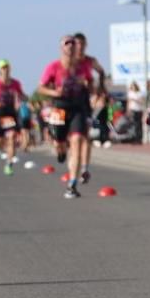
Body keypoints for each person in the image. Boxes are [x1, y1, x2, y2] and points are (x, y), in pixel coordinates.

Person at [38, 35, 95, 198]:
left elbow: (91, 83)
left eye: (72, 43)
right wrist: (54, 92)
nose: (70, 46)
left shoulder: (82, 67)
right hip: (60, 108)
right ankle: (60, 151)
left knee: (77, 141)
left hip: (77, 108)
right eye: (66, 43)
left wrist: (90, 87)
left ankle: (72, 184)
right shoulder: (53, 67)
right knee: (59, 143)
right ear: (61, 48)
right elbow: (41, 88)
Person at [73, 32, 106, 184]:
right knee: (69, 139)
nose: (80, 47)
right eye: (77, 44)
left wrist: (100, 88)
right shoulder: (68, 62)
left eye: (82, 44)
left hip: (84, 101)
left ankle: (85, 168)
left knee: (85, 136)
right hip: (67, 102)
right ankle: (66, 155)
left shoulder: (90, 61)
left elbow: (101, 72)